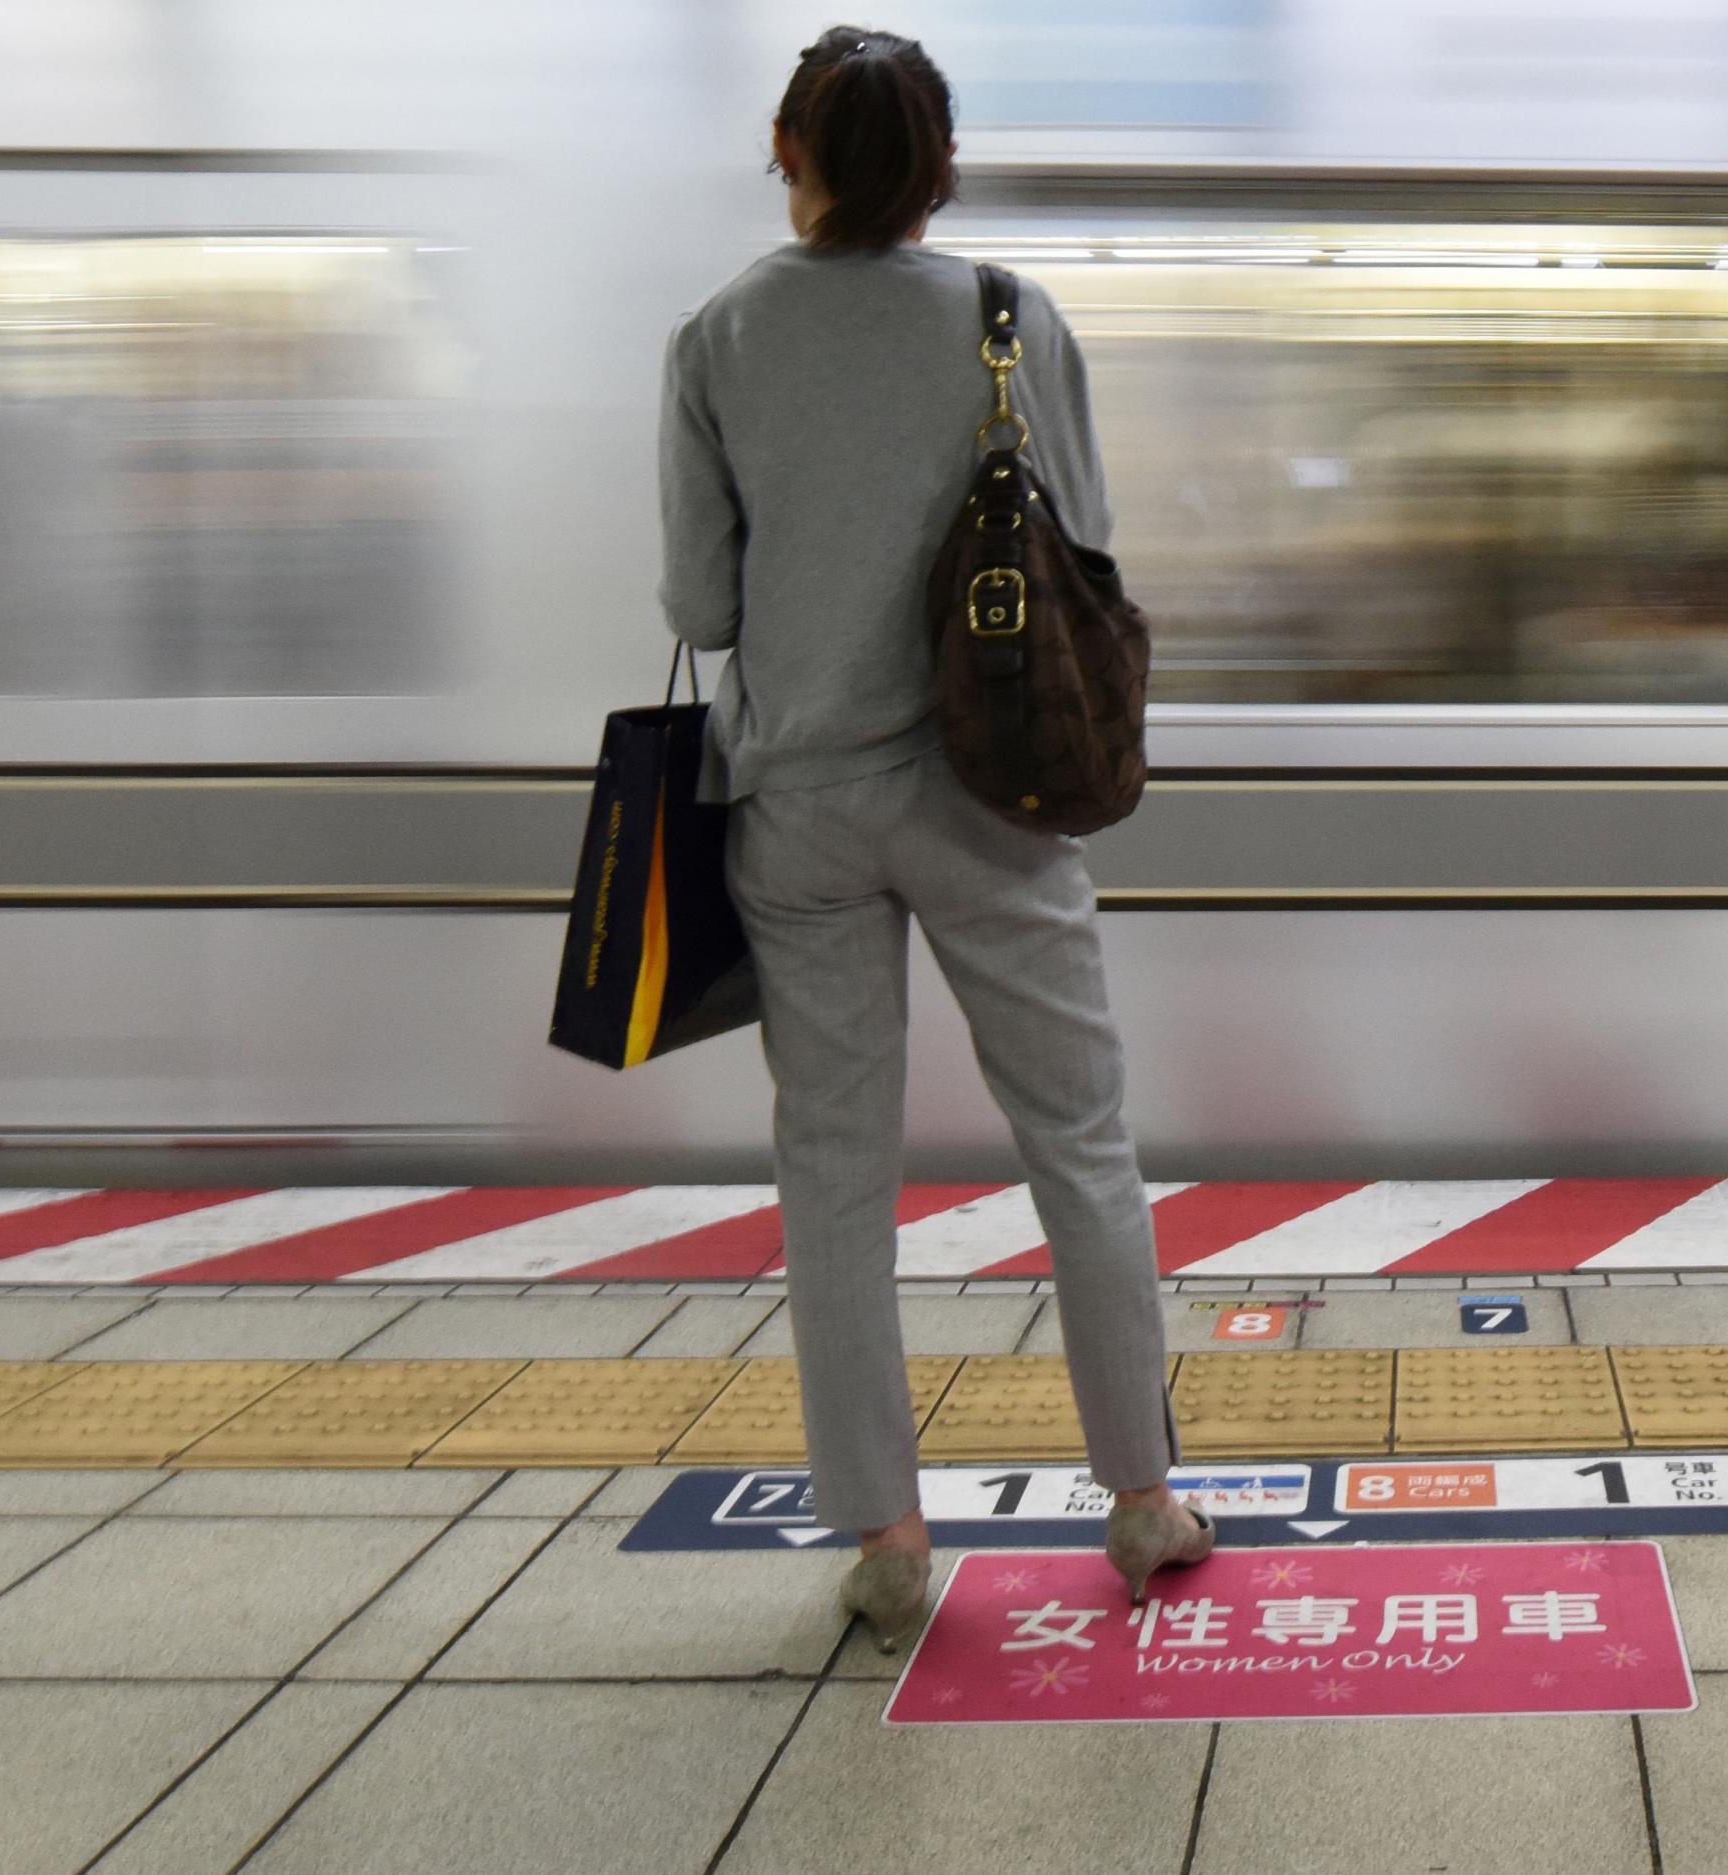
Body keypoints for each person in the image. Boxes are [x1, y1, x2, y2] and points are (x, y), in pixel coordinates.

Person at [656, 25, 1210, 1648]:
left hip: (801, 810)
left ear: (788, 149)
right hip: (996, 793)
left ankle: (888, 1537)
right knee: (1079, 1146)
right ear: (944, 166)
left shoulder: (715, 338)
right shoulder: (1006, 319)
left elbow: (699, 604)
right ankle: (1139, 1502)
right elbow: (1086, 546)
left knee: (833, 1170)